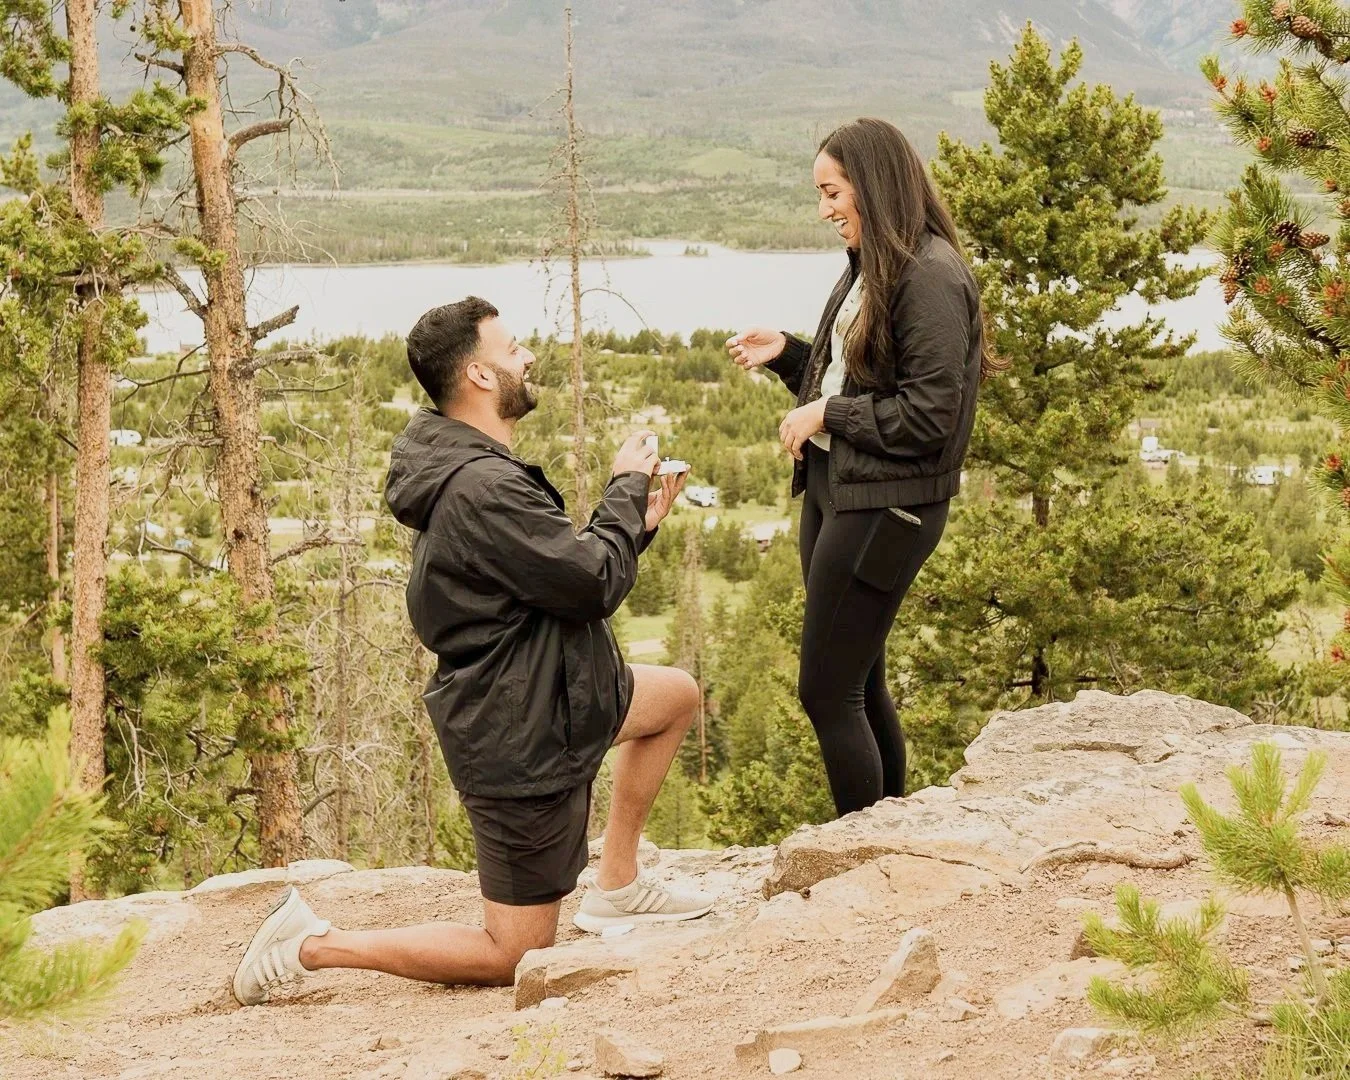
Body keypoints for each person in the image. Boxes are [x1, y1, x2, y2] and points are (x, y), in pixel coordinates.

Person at [232, 297, 713, 1006]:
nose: (526, 358)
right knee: (512, 951)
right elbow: (588, 584)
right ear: (481, 376)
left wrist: (630, 526)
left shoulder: (470, 463)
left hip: (557, 691)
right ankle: (309, 945)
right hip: (518, 730)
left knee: (673, 697)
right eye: (513, 349)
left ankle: (617, 884)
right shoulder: (483, 486)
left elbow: (556, 571)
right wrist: (620, 491)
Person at [727, 117, 1000, 819]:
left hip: (888, 507)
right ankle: (889, 833)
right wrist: (789, 355)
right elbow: (860, 381)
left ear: (871, 186)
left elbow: (929, 419)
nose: (823, 210)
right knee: (858, 678)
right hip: (841, 490)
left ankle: (861, 849)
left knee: (825, 690)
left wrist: (827, 416)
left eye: (831, 192)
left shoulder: (931, 277)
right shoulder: (873, 267)